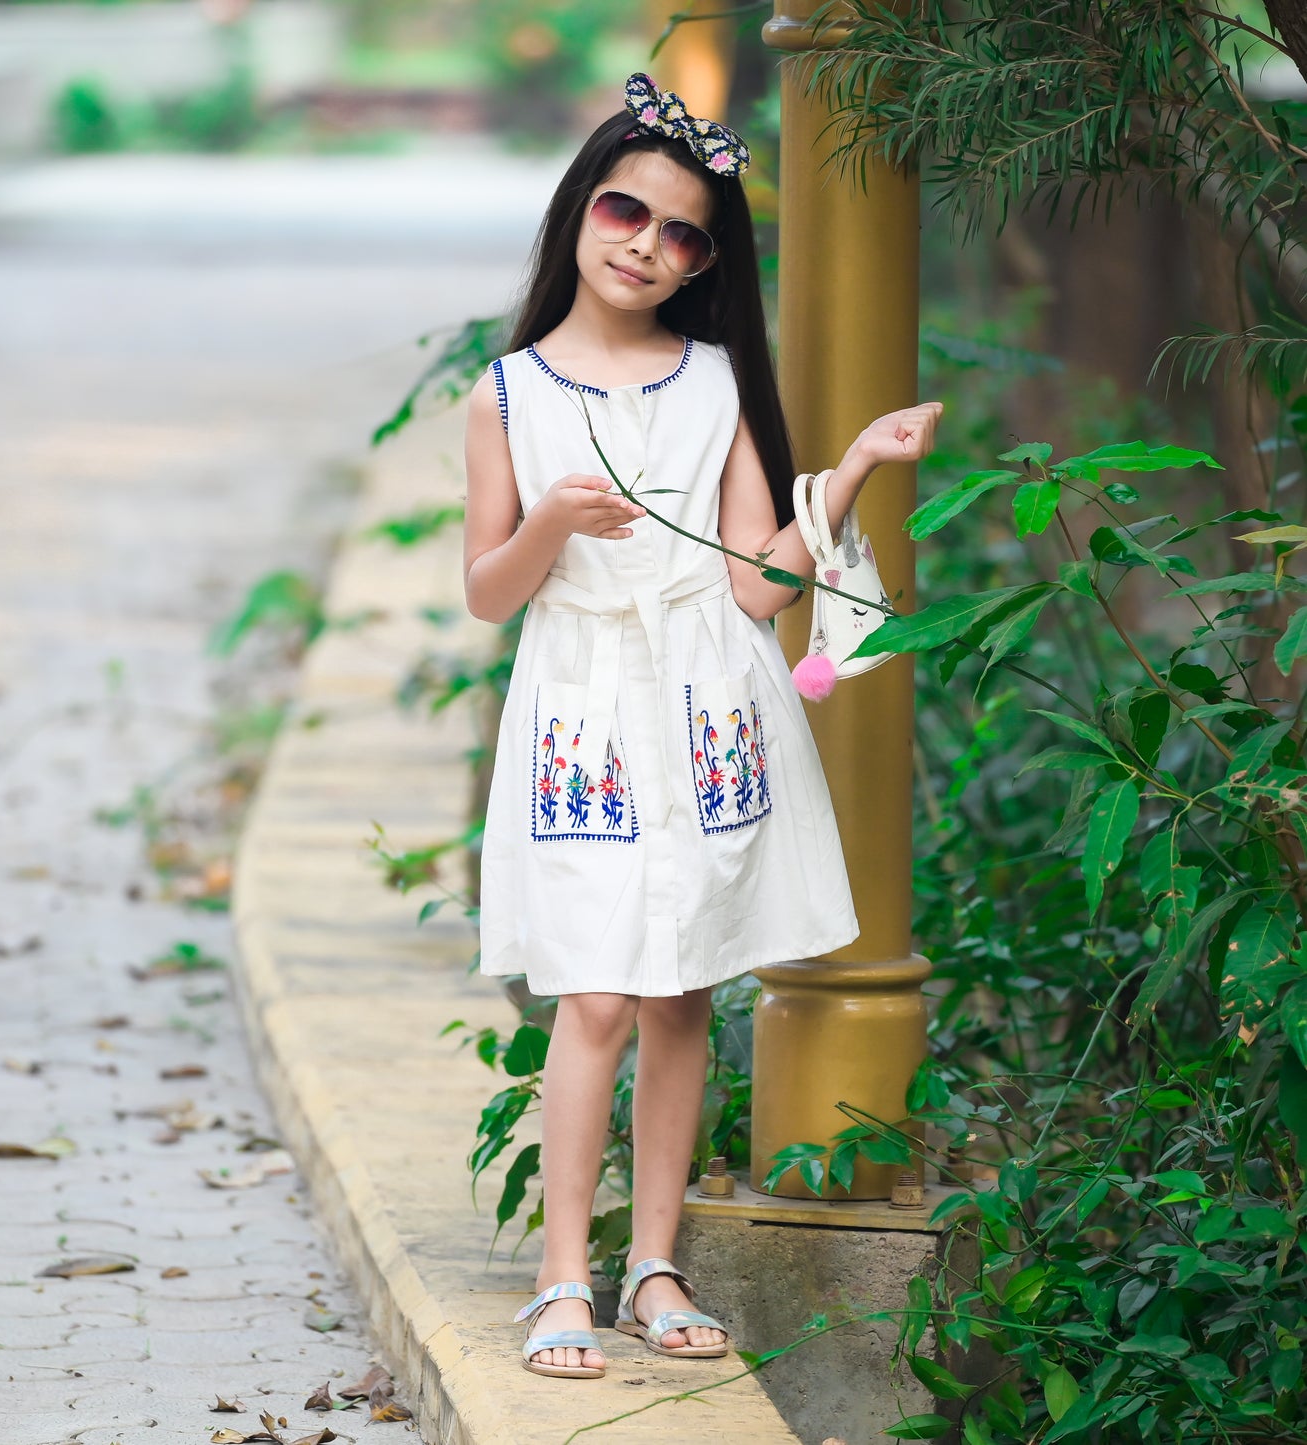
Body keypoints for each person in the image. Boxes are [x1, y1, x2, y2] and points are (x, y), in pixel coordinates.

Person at [462, 72, 942, 1381]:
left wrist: (843, 476)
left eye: (683, 234)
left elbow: (754, 583)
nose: (646, 245)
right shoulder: (505, 393)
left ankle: (652, 1263)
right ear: (580, 207)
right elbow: (485, 591)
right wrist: (550, 523)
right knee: (598, 993)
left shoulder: (717, 381)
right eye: (627, 209)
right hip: (579, 711)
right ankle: (563, 1274)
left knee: (681, 996)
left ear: (702, 261)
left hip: (699, 705)